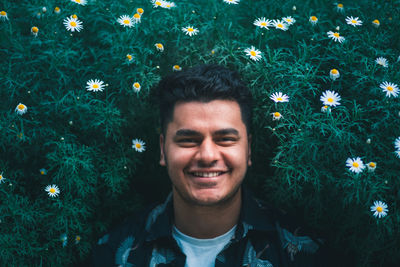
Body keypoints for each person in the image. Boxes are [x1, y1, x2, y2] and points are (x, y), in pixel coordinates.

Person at [92, 64, 326, 266]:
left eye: (225, 139)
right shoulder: (114, 252)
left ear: (248, 149)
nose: (207, 155)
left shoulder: (304, 253)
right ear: (163, 150)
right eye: (188, 140)